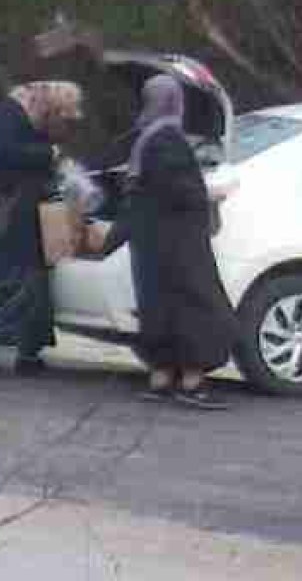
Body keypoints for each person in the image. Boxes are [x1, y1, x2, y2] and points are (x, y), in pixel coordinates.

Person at [101, 74, 238, 410]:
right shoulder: (168, 140)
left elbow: (142, 190)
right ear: (174, 102)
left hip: (150, 243)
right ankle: (191, 383)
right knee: (197, 307)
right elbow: (179, 191)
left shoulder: (144, 138)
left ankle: (161, 379)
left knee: (159, 309)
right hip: (178, 242)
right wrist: (209, 194)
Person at [0, 81, 84, 376]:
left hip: (28, 214)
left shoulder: (34, 113)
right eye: (62, 114)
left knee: (30, 283)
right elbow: (2, 154)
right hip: (8, 216)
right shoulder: (12, 113)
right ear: (52, 105)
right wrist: (47, 155)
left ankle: (26, 351)